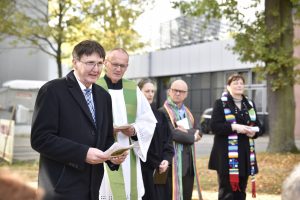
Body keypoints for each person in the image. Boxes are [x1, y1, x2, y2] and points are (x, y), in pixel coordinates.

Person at [31, 40, 126, 200]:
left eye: (100, 63)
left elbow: (106, 138)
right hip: (60, 188)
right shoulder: (52, 90)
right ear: (75, 62)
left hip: (93, 187)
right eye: (90, 63)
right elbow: (40, 139)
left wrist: (114, 156)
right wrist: (83, 153)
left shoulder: (104, 97)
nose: (96, 69)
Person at [97, 48, 157, 200]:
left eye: (122, 66)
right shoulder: (94, 86)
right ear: (105, 63)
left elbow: (148, 120)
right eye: (114, 64)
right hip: (101, 153)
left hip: (127, 154)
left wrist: (135, 130)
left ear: (127, 67)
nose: (118, 69)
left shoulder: (133, 89)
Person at [208, 73, 263, 200]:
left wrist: (254, 132)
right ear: (228, 86)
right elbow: (214, 126)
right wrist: (234, 127)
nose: (239, 85)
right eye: (235, 83)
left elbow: (260, 126)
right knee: (227, 192)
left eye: (241, 83)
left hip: (244, 155)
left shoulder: (249, 104)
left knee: (241, 190)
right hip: (227, 156)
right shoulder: (221, 103)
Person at [159, 79, 203, 200]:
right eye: (175, 90)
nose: (178, 93)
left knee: (187, 196)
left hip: (189, 165)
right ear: (169, 91)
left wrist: (187, 132)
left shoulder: (188, 112)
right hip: (172, 164)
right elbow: (172, 133)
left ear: (186, 94)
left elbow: (199, 130)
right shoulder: (162, 112)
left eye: (181, 91)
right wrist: (192, 135)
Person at [137, 78, 174, 200]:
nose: (150, 94)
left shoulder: (160, 115)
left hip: (161, 169)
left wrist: (166, 159)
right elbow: (138, 143)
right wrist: (156, 162)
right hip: (143, 169)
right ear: (139, 92)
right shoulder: (134, 116)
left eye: (152, 91)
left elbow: (168, 140)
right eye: (147, 91)